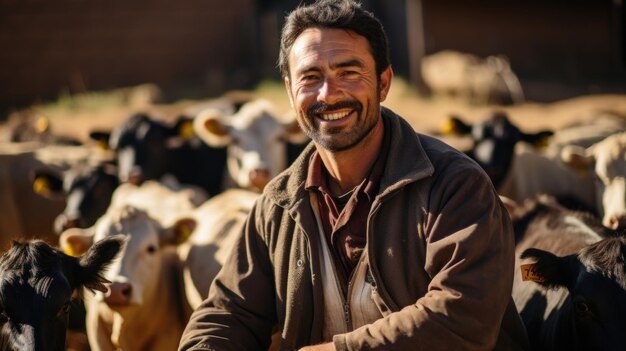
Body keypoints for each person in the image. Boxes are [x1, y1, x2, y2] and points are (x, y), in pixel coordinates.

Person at [178, 0, 529, 350]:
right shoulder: (277, 207)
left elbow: (463, 318)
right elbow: (227, 314)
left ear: (384, 83)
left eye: (349, 72)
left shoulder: (455, 186)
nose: (329, 95)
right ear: (289, 91)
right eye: (311, 77)